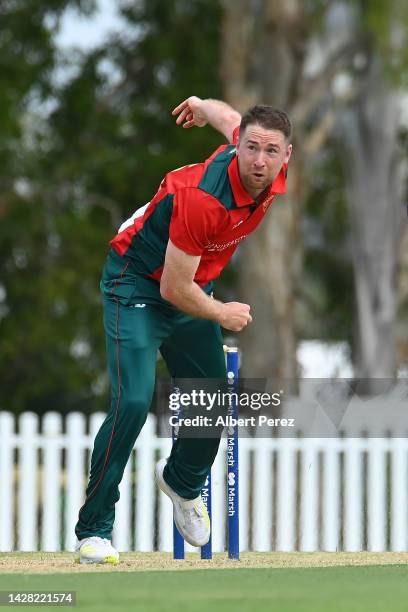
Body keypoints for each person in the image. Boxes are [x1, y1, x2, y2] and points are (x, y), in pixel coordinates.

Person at [74, 96, 292, 564]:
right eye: (251, 148)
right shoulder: (203, 198)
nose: (259, 160)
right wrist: (223, 314)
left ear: (286, 155)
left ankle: (181, 483)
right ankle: (93, 530)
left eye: (271, 151)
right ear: (239, 149)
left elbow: (230, 117)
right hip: (135, 284)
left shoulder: (264, 163)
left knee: (209, 400)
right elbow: (174, 287)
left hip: (191, 285)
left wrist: (202, 104)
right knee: (133, 400)